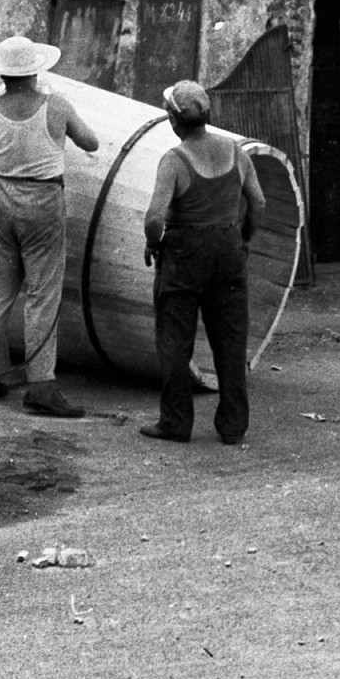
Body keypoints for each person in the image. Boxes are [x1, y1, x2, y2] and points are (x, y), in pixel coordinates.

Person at [0, 35, 99, 417]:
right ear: (36, 70)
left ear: (1, 72)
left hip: (1, 196)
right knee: (42, 292)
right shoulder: (55, 105)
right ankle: (41, 384)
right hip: (43, 200)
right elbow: (91, 142)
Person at [141, 80, 264, 446]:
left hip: (185, 254)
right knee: (231, 340)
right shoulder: (236, 152)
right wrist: (243, 239)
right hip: (227, 250)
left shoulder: (174, 160)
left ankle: (176, 422)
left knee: (175, 339)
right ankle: (233, 426)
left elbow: (154, 217)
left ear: (173, 120)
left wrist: (153, 244)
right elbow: (258, 202)